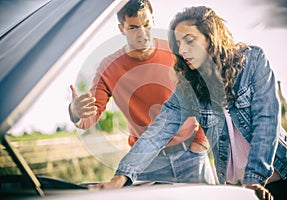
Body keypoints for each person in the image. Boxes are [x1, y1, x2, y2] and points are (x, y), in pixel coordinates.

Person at [94, 5, 287, 200]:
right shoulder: (188, 86)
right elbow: (157, 133)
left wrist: (254, 181)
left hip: (280, 175)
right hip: (237, 189)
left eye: (189, 40)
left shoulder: (253, 60)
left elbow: (267, 120)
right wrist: (121, 177)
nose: (182, 50)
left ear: (211, 37)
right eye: (179, 44)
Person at [69, 0, 216, 185]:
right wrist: (76, 113)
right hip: (148, 164)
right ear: (121, 28)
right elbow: (89, 117)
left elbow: (205, 90)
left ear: (153, 20)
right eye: (133, 27)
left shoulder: (176, 51)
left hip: (192, 155)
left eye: (146, 24)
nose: (142, 33)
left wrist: (201, 141)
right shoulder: (108, 68)